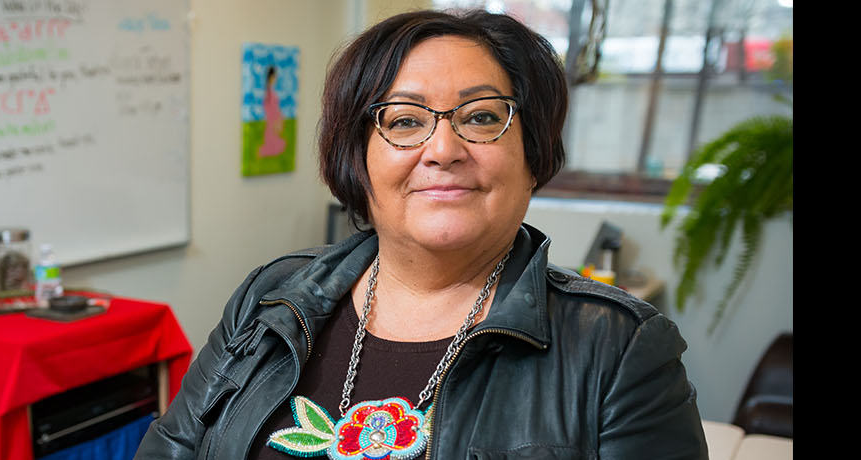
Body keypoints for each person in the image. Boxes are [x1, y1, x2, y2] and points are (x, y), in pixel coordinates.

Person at [135, 9, 708, 460]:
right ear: (357, 161)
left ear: (532, 155)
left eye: (482, 116)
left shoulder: (622, 347)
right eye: (404, 120)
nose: (442, 150)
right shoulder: (271, 297)